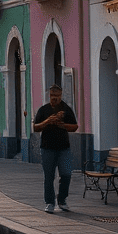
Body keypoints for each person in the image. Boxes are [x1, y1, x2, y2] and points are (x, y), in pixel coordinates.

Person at [34, 84, 78, 213]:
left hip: (64, 148)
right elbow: (36, 128)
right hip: (47, 148)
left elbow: (75, 127)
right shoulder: (43, 110)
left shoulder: (66, 109)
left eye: (57, 96)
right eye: (53, 96)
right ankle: (49, 202)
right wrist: (47, 121)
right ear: (49, 96)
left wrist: (62, 125)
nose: (55, 99)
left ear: (61, 95)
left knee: (66, 174)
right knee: (49, 176)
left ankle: (62, 200)